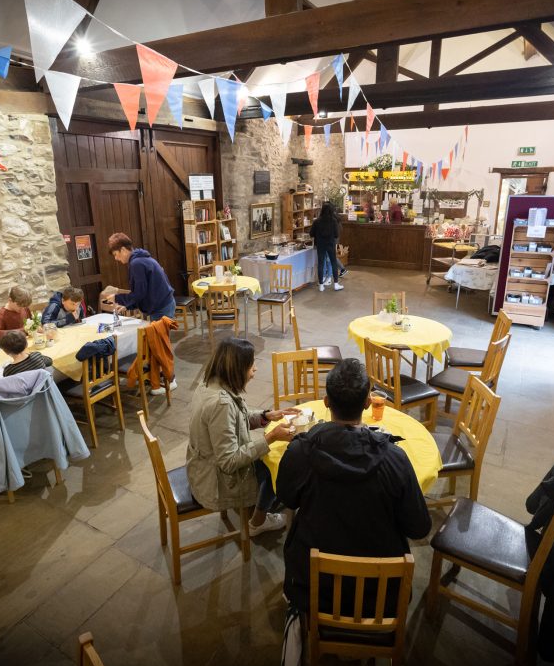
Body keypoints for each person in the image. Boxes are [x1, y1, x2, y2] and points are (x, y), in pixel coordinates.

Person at [276, 358, 431, 614]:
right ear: (368, 402)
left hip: (313, 588)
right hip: (380, 594)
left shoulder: (300, 452)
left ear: (326, 402)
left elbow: (286, 498)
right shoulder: (395, 459)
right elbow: (419, 527)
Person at [187, 337, 300, 536]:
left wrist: (265, 416)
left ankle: (263, 508)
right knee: (280, 464)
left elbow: (234, 419)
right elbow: (229, 462)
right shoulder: (221, 404)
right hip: (215, 482)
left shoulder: (209, 385)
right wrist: (271, 436)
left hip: (201, 467)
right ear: (237, 369)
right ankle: (259, 520)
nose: (255, 369)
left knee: (271, 456)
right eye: (251, 365)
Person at [104, 233, 176, 321]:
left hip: (161, 308)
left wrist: (116, 298)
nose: (116, 258)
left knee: (158, 335)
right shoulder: (141, 259)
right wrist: (128, 306)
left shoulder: (136, 264)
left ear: (123, 249)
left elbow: (139, 293)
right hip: (164, 304)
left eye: (115, 254)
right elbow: (143, 293)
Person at [310, 202, 343, 292]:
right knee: (333, 263)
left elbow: (311, 233)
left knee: (321, 264)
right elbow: (336, 235)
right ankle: (336, 284)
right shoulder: (333, 221)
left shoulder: (317, 221)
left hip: (320, 244)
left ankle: (321, 285)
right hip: (330, 244)